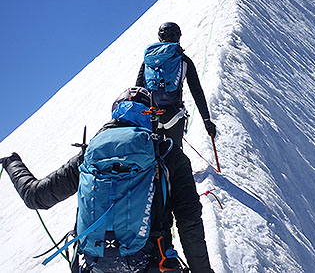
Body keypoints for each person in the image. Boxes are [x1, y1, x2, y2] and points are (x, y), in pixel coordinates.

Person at [0, 87, 216, 273]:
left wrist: (12, 163)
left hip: (96, 265)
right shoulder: (168, 154)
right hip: (151, 262)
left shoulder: (89, 156)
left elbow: (36, 196)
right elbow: (189, 222)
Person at [136, 22, 216, 148]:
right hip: (174, 114)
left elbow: (138, 89)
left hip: (151, 115)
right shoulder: (184, 60)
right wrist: (207, 120)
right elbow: (196, 91)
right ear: (178, 37)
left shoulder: (148, 60)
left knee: (152, 155)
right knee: (175, 155)